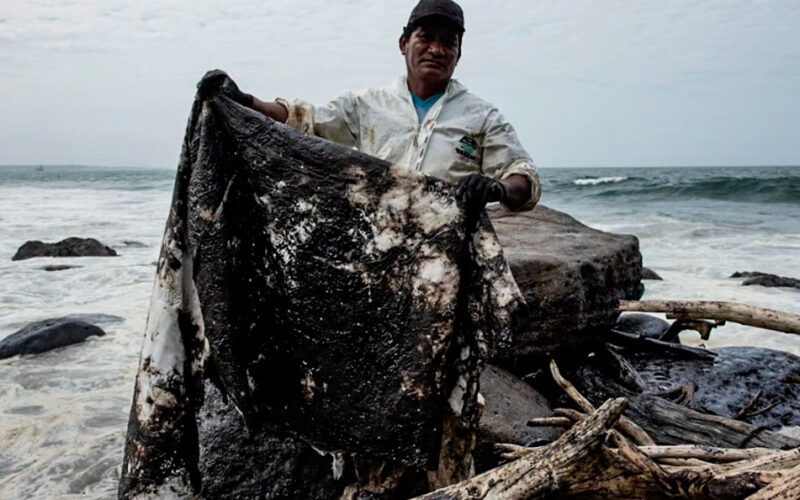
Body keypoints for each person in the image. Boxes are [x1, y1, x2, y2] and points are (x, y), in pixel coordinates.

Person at [198, 0, 541, 218]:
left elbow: (521, 173)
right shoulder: (367, 105)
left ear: (458, 54)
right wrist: (246, 102)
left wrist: (497, 188)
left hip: (447, 253)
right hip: (376, 243)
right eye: (426, 37)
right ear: (404, 43)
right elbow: (307, 121)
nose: (436, 49)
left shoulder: (481, 116)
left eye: (448, 43)